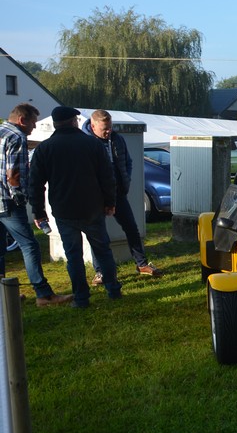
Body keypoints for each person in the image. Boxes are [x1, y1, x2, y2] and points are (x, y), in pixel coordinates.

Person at [29, 106, 122, 308]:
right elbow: (107, 177)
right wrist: (110, 202)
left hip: (64, 210)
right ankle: (113, 290)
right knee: (103, 251)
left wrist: (39, 212)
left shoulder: (44, 149)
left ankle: (81, 298)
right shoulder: (92, 144)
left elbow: (35, 184)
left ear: (55, 124)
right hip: (92, 207)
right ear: (74, 122)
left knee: (73, 256)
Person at [0, 104, 73, 307]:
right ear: (22, 120)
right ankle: (43, 294)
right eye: (32, 122)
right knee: (29, 246)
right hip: (7, 202)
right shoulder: (17, 136)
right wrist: (20, 199)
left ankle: (3, 294)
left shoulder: (1, 131)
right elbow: (13, 174)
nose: (34, 127)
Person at [82, 109, 162, 285]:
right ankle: (100, 271)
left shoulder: (117, 139)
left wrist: (126, 180)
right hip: (95, 196)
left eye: (110, 127)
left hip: (118, 193)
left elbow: (127, 162)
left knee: (131, 228)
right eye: (104, 129)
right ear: (93, 126)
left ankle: (141, 264)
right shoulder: (85, 142)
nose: (108, 131)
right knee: (98, 234)